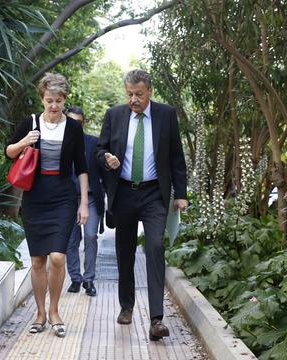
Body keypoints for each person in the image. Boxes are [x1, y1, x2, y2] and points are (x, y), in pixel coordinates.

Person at [96, 69, 188, 341]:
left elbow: (176, 157)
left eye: (138, 94)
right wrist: (107, 159)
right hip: (123, 192)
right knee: (124, 251)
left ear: (149, 91)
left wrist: (180, 194)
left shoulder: (166, 115)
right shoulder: (115, 115)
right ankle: (127, 305)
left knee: (155, 247)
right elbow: (99, 149)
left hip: (153, 195)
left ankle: (156, 319)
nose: (133, 99)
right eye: (129, 94)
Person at [6, 73, 89, 338]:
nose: (54, 106)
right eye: (49, 100)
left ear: (65, 100)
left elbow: (82, 167)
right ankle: (40, 313)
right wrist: (25, 141)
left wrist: (84, 203)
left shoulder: (74, 128)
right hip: (35, 197)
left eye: (59, 101)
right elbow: (9, 152)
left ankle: (55, 311)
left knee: (57, 256)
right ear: (42, 98)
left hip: (63, 196)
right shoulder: (30, 122)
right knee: (37, 259)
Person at [65, 106, 106, 297]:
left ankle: (89, 279)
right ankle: (75, 278)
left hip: (90, 198)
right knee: (71, 241)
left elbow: (103, 170)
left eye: (78, 122)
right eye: (71, 121)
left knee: (90, 236)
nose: (75, 126)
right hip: (67, 199)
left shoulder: (94, 143)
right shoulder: (61, 142)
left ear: (84, 123)